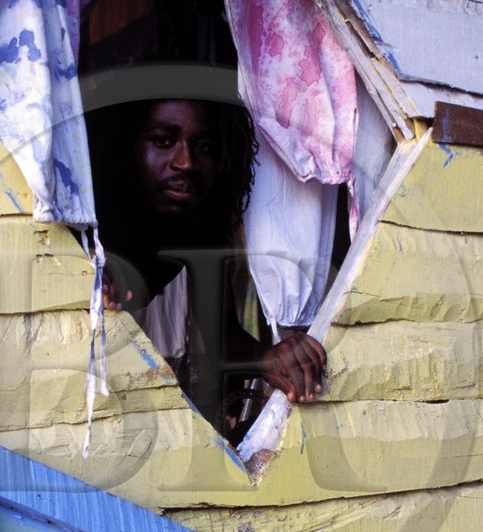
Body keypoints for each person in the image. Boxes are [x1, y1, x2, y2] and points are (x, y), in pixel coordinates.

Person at [88, 95, 326, 436]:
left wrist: (266, 358)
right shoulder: (88, 221)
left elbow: (221, 337)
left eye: (204, 146)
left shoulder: (195, 223)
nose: (185, 162)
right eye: (163, 141)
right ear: (127, 146)